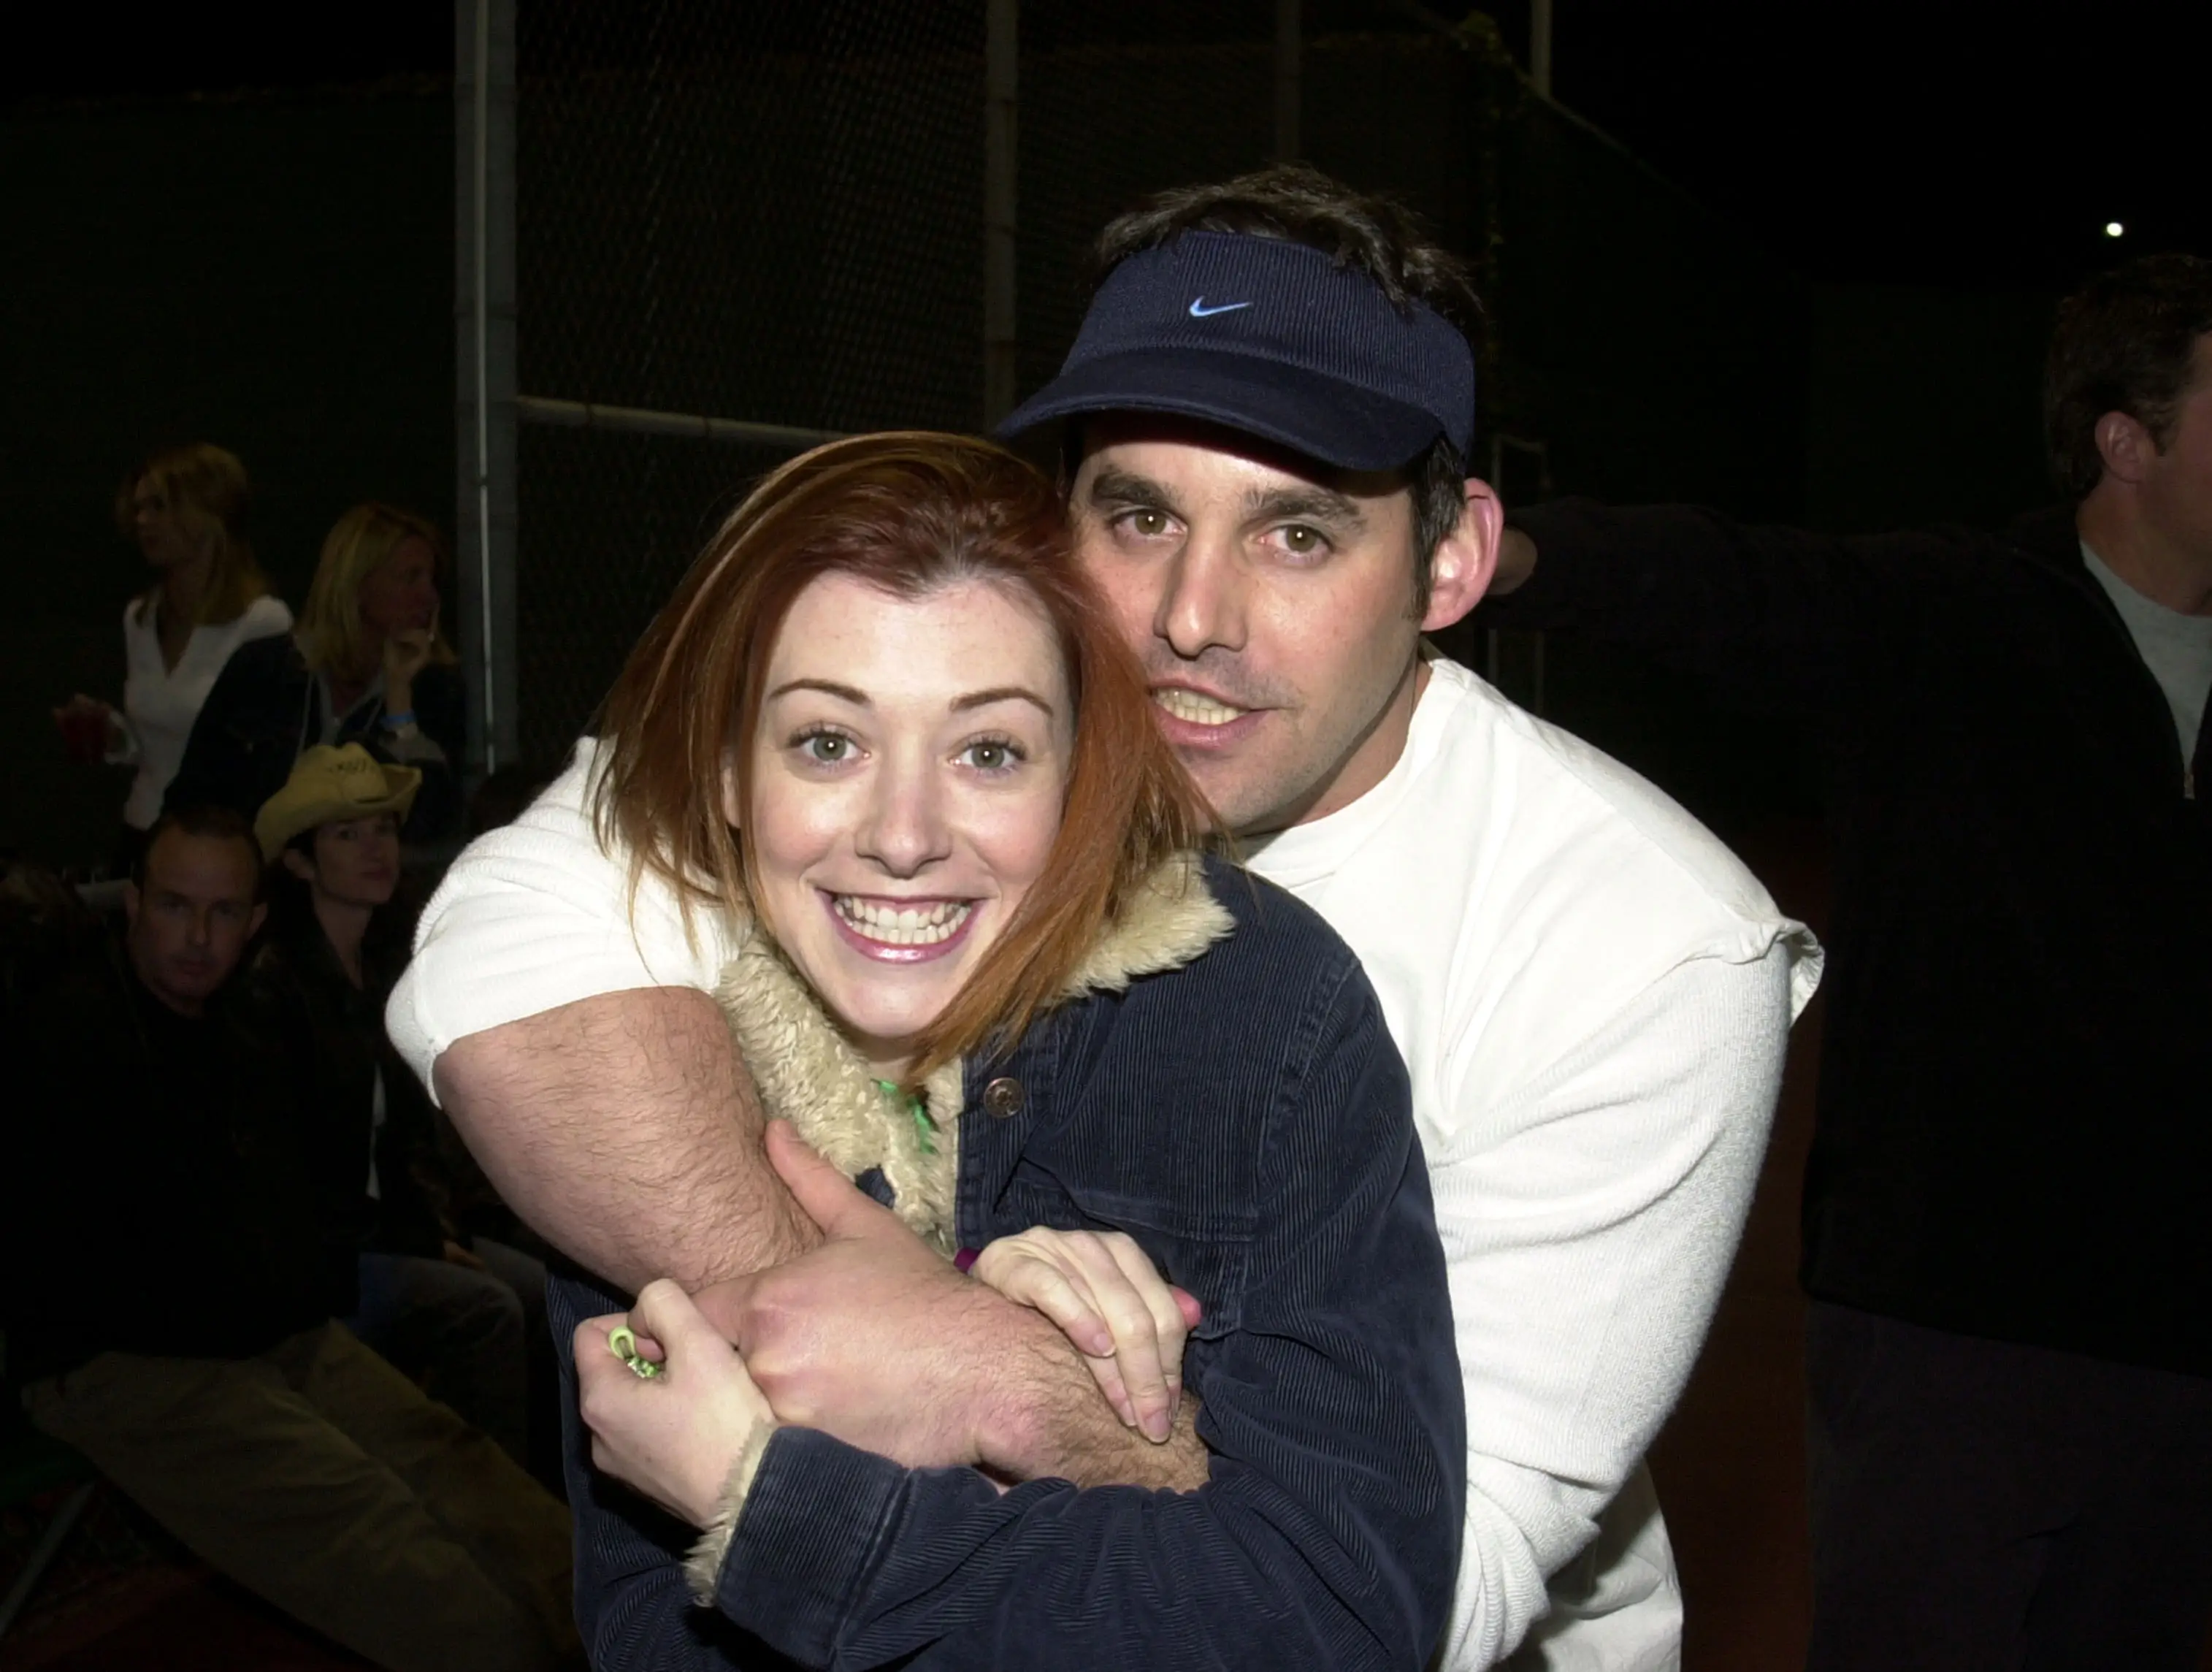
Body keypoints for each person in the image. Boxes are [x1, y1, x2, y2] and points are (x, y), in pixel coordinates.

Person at [391, 167, 1821, 1670]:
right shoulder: (920, 770)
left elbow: (1426, 1596)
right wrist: (834, 1311)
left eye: (1295, 533)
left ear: (1450, 556)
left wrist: (993, 1384)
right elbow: (507, 952)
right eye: (1136, 513)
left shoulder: (1641, 942)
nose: (1189, 613)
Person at [562, 432, 1460, 1666]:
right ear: (726, 769)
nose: (903, 833)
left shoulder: (1261, 1007)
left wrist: (926, 1421)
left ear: (1074, 774)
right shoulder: (650, 1046)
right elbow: (644, 1630)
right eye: (828, 740)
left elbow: (1339, 1616)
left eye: (987, 749)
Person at [1485, 251, 2212, 1670]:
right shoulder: (1958, 613)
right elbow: (1722, 581)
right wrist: (1497, 552)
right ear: (2126, 438)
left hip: (2177, 1339)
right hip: (1947, 1327)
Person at [0, 806, 577, 1672]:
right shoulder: (65, 1037)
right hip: (126, 1361)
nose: (196, 936)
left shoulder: (245, 1025)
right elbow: (83, 1273)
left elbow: (298, 1203)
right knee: (409, 1563)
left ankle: (613, 1630)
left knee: (483, 1490)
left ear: (256, 919)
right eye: (172, 907)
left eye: (223, 912)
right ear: (131, 908)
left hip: (268, 1334)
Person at [250, 744, 550, 1472]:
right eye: (346, 835)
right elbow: (301, 1169)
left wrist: (441, 1230)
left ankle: (544, 1513)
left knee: (546, 1292)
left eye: (382, 829)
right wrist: (421, 1242)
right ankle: (480, 1503)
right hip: (330, 1258)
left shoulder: (386, 966)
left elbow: (411, 1141)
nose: (374, 849)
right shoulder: (278, 986)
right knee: (489, 1310)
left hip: (402, 1231)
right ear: (298, 862)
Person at [169, 500, 463, 842]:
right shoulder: (265, 669)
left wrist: (400, 704)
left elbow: (429, 829)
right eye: (410, 578)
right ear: (356, 583)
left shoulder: (435, 687)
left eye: (432, 581)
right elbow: (193, 796)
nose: (429, 597)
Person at [51, 443, 291, 860]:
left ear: (209, 510)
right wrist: (111, 734)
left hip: (218, 843)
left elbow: (264, 761)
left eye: (160, 506)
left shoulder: (261, 623)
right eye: (139, 508)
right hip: (142, 832)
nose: (143, 521)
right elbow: (155, 746)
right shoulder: (141, 619)